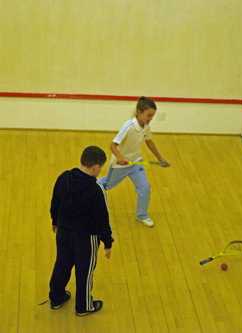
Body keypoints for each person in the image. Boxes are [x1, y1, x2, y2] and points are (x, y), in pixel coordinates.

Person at [49, 146, 113, 316]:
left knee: (62, 264)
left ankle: (56, 297)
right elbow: (102, 219)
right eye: (101, 167)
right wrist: (107, 242)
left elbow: (55, 201)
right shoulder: (97, 190)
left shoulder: (64, 177)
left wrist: (55, 221)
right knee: (84, 272)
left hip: (63, 232)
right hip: (86, 239)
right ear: (95, 167)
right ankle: (84, 306)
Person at [98, 96, 169, 228]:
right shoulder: (129, 126)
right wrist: (120, 157)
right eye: (148, 115)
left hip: (136, 163)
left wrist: (160, 158)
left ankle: (142, 215)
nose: (150, 119)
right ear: (139, 112)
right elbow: (113, 145)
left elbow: (149, 142)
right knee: (106, 184)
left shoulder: (146, 127)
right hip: (120, 166)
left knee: (145, 188)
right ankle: (91, 185)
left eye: (152, 116)